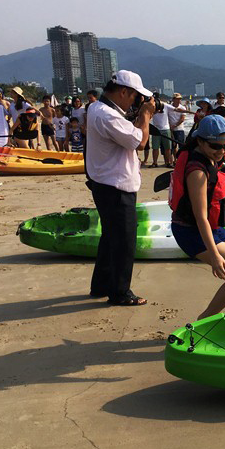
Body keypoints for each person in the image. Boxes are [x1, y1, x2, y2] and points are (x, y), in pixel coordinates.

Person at [169, 115, 225, 319]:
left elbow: (210, 193)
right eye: (215, 146)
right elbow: (200, 217)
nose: (222, 151)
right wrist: (214, 255)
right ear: (200, 141)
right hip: (192, 231)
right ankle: (205, 320)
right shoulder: (196, 171)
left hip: (211, 227)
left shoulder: (211, 157)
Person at [85, 70, 155, 306]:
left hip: (105, 183)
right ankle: (120, 293)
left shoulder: (98, 108)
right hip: (115, 186)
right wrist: (145, 115)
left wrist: (139, 114)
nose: (137, 101)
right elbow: (140, 142)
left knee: (111, 237)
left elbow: (129, 135)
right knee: (124, 241)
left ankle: (101, 285)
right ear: (124, 92)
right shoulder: (107, 116)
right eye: (136, 96)